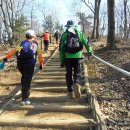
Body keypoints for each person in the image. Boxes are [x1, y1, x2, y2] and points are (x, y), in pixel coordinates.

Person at [3, 30, 43, 105]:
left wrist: (6, 58)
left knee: (24, 77)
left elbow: (14, 51)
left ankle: (23, 92)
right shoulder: (35, 44)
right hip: (29, 64)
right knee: (27, 80)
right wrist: (41, 64)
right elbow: (40, 55)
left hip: (20, 64)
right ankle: (24, 99)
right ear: (32, 36)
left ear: (26, 36)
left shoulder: (22, 43)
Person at [59, 20, 93, 98]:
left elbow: (61, 49)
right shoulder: (79, 33)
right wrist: (90, 50)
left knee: (69, 74)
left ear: (67, 26)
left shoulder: (64, 34)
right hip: (78, 57)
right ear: (75, 26)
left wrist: (61, 60)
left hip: (68, 57)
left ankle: (70, 91)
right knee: (77, 72)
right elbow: (86, 43)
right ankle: (77, 83)